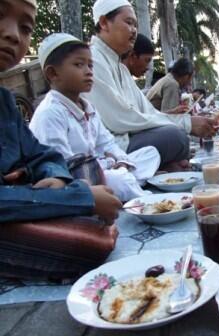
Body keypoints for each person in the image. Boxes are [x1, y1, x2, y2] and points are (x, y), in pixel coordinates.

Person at [0, 0, 121, 279]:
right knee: (89, 240)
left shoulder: (4, 103)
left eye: (25, 26)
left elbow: (43, 155)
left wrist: (56, 178)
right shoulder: (51, 111)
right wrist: (78, 197)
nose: (13, 34)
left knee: (90, 217)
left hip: (25, 198)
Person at [85, 0, 215, 171]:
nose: (134, 31)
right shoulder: (93, 60)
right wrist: (186, 124)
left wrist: (184, 121)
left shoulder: (118, 65)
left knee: (176, 136)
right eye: (128, 23)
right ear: (103, 23)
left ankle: (166, 166)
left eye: (135, 25)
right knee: (176, 137)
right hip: (112, 148)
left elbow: (147, 111)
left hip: (132, 137)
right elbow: (119, 120)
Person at [30, 33, 161, 201]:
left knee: (150, 153)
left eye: (90, 66)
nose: (89, 72)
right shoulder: (51, 113)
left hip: (103, 169)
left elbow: (107, 143)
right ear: (53, 73)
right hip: (79, 181)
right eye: (79, 65)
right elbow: (62, 167)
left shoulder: (88, 107)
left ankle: (128, 185)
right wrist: (110, 167)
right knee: (120, 180)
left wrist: (121, 162)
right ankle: (143, 198)